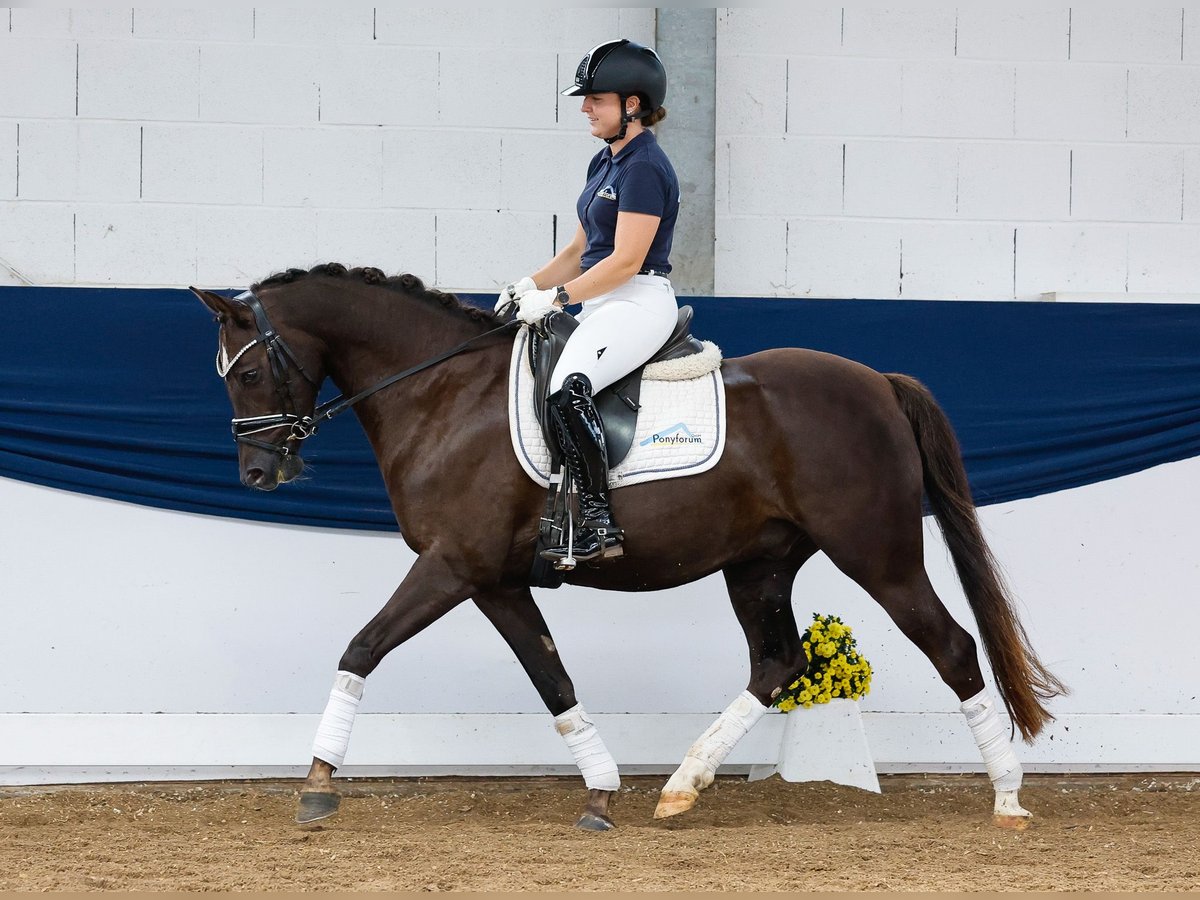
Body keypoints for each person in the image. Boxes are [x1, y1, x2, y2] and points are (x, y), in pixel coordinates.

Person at [497, 38, 681, 565]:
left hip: (637, 300)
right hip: (600, 301)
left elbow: (624, 261)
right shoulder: (604, 161)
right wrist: (528, 286)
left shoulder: (645, 166)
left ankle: (599, 519)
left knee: (566, 388)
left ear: (633, 105)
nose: (584, 108)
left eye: (595, 99)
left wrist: (557, 298)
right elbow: (579, 251)